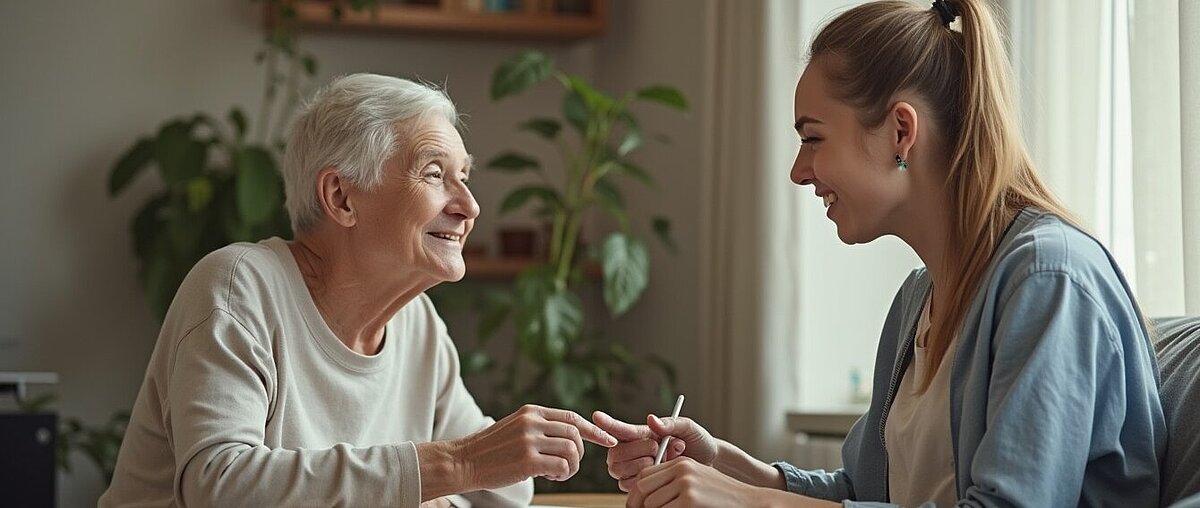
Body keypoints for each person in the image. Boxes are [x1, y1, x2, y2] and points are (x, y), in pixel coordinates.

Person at [593, 1, 1166, 506]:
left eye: (812, 137)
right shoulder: (919, 298)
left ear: (900, 131)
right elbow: (868, 495)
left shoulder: (1048, 279)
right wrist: (725, 468)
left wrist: (750, 503)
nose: (798, 171)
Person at [100, 73, 617, 508]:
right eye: (435, 173)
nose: (469, 206)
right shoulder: (240, 287)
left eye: (464, 176)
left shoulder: (416, 323)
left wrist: (533, 451)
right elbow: (219, 486)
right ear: (342, 197)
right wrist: (455, 466)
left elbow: (500, 489)